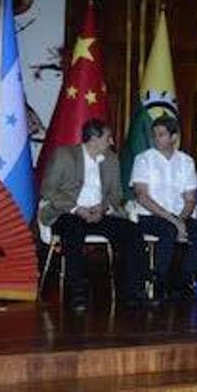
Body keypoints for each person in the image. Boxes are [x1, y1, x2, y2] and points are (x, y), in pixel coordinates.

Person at [38, 119, 149, 311]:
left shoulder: (112, 160)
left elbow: (117, 195)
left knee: (131, 231)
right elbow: (48, 190)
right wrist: (76, 208)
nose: (112, 142)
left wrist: (103, 208)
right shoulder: (65, 155)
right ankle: (77, 292)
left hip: (98, 213)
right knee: (73, 229)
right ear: (94, 139)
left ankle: (135, 292)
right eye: (108, 138)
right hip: (67, 212)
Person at [130, 116, 197, 299]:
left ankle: (182, 281)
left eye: (161, 134)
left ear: (174, 137)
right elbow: (142, 196)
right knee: (168, 230)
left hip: (178, 215)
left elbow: (190, 199)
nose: (157, 138)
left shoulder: (186, 161)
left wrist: (180, 220)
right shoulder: (143, 159)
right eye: (155, 135)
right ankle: (159, 282)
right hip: (149, 216)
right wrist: (174, 221)